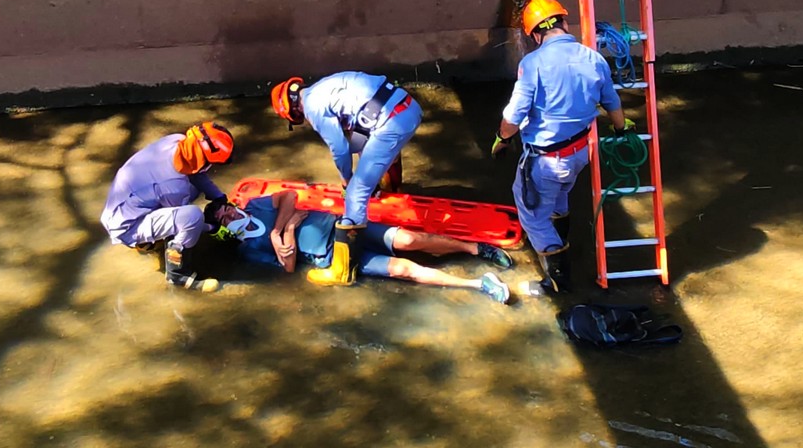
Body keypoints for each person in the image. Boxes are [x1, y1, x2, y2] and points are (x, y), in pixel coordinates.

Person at [491, 0, 629, 291]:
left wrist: (502, 139)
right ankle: (562, 238)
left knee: (531, 214)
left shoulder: (533, 64)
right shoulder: (593, 57)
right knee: (560, 195)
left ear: (535, 34)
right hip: (580, 152)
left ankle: (556, 282)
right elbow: (612, 102)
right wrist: (621, 128)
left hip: (546, 159)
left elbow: (513, 117)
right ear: (564, 23)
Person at [218, 189, 514, 303]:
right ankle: (479, 284)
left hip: (344, 227)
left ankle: (475, 249)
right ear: (225, 229)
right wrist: (291, 229)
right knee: (403, 269)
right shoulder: (248, 249)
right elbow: (289, 267)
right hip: (334, 256)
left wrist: (279, 230)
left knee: (410, 240)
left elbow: (289, 197)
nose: (230, 214)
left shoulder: (256, 206)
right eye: (224, 219)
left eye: (227, 209)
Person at [269, 72, 421, 281]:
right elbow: (359, 127)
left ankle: (343, 269)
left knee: (356, 192)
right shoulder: (324, 87)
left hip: (392, 123)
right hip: (408, 107)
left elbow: (339, 149)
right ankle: (391, 191)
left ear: (293, 111)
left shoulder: (313, 108)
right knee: (366, 151)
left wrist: (347, 180)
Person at [101, 121, 239, 291]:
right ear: (204, 160)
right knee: (192, 216)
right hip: (126, 226)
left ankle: (147, 243)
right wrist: (213, 228)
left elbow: (195, 172)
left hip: (123, 205)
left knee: (190, 193)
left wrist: (219, 197)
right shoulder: (173, 188)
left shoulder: (177, 141)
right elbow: (188, 223)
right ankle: (177, 274)